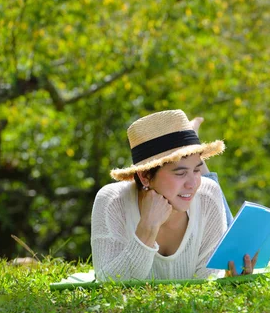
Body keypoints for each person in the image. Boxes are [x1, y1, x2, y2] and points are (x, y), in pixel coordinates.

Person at [90, 109, 256, 281]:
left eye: (197, 169)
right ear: (145, 176)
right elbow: (107, 282)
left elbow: (206, 282)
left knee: (210, 186)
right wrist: (147, 229)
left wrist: (231, 279)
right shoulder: (112, 201)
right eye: (180, 173)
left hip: (206, 200)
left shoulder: (207, 194)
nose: (193, 184)